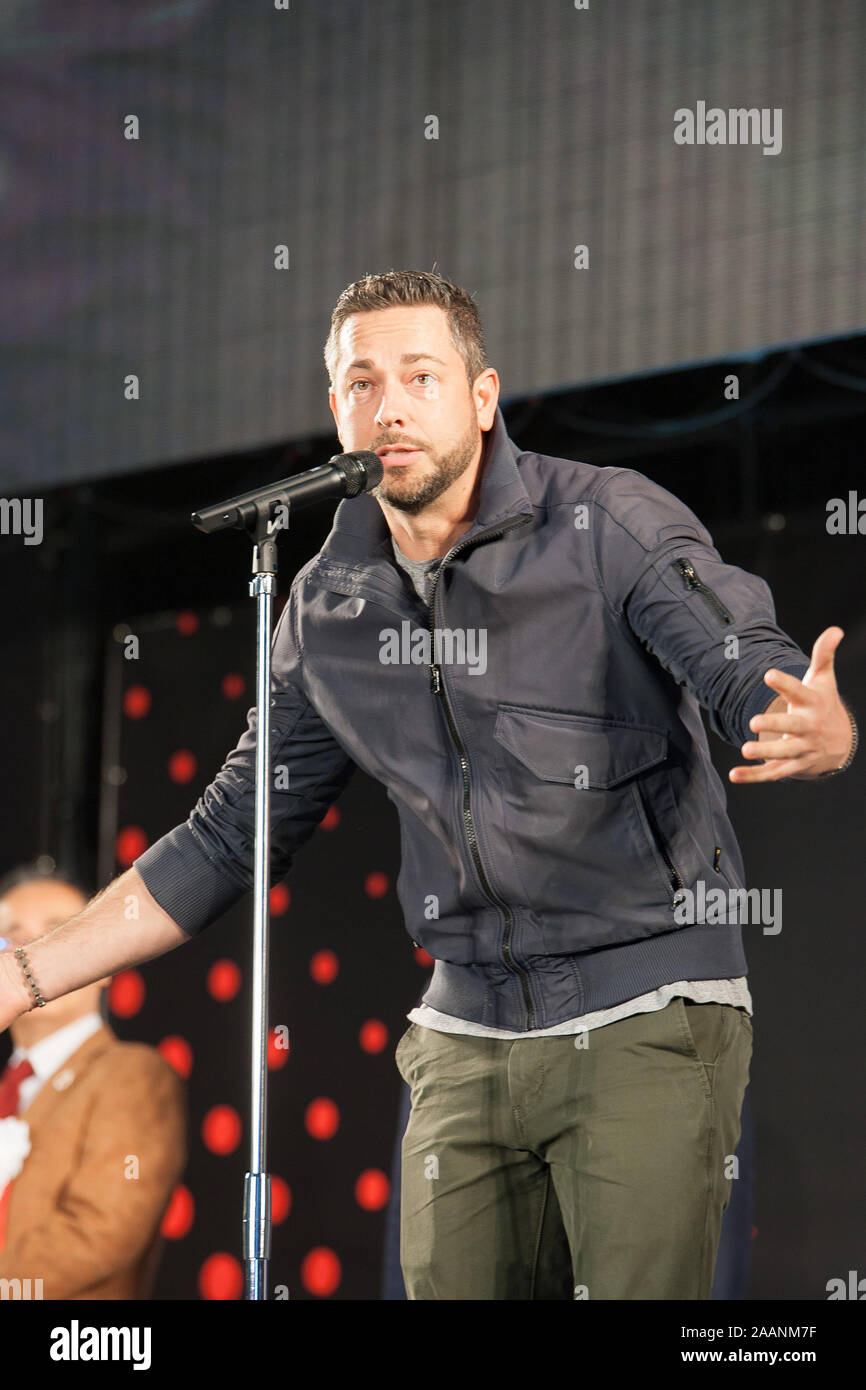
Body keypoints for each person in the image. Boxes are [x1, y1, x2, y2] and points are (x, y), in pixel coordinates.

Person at [0, 271, 856, 1300]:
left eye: (419, 375)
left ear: (482, 395)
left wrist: (804, 717)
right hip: (463, 1029)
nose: (389, 405)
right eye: (362, 382)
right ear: (334, 411)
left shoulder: (605, 523)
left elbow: (738, 662)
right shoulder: (325, 609)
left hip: (645, 1002)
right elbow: (225, 837)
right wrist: (27, 977)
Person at [0, 867, 187, 1299]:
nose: (29, 951)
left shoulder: (131, 1074)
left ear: (105, 962)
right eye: (10, 939)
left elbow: (99, 1234)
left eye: (56, 934)